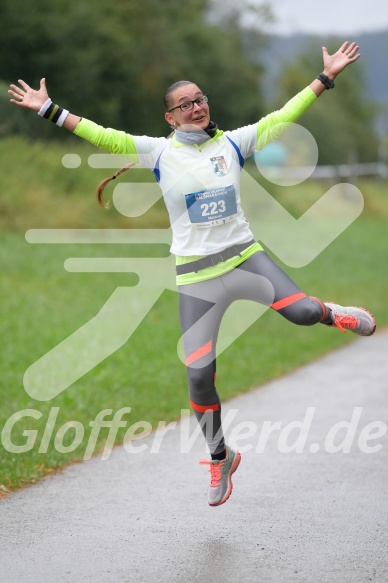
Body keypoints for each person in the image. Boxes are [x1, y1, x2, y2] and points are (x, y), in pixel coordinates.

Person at [9, 41, 376, 507]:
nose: (196, 107)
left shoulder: (233, 143)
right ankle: (221, 457)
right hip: (197, 279)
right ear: (171, 118)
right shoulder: (158, 153)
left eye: (200, 99)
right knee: (199, 377)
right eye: (185, 104)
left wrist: (324, 80)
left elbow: (282, 118)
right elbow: (100, 134)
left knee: (303, 313)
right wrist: (49, 110)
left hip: (246, 259)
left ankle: (331, 312)